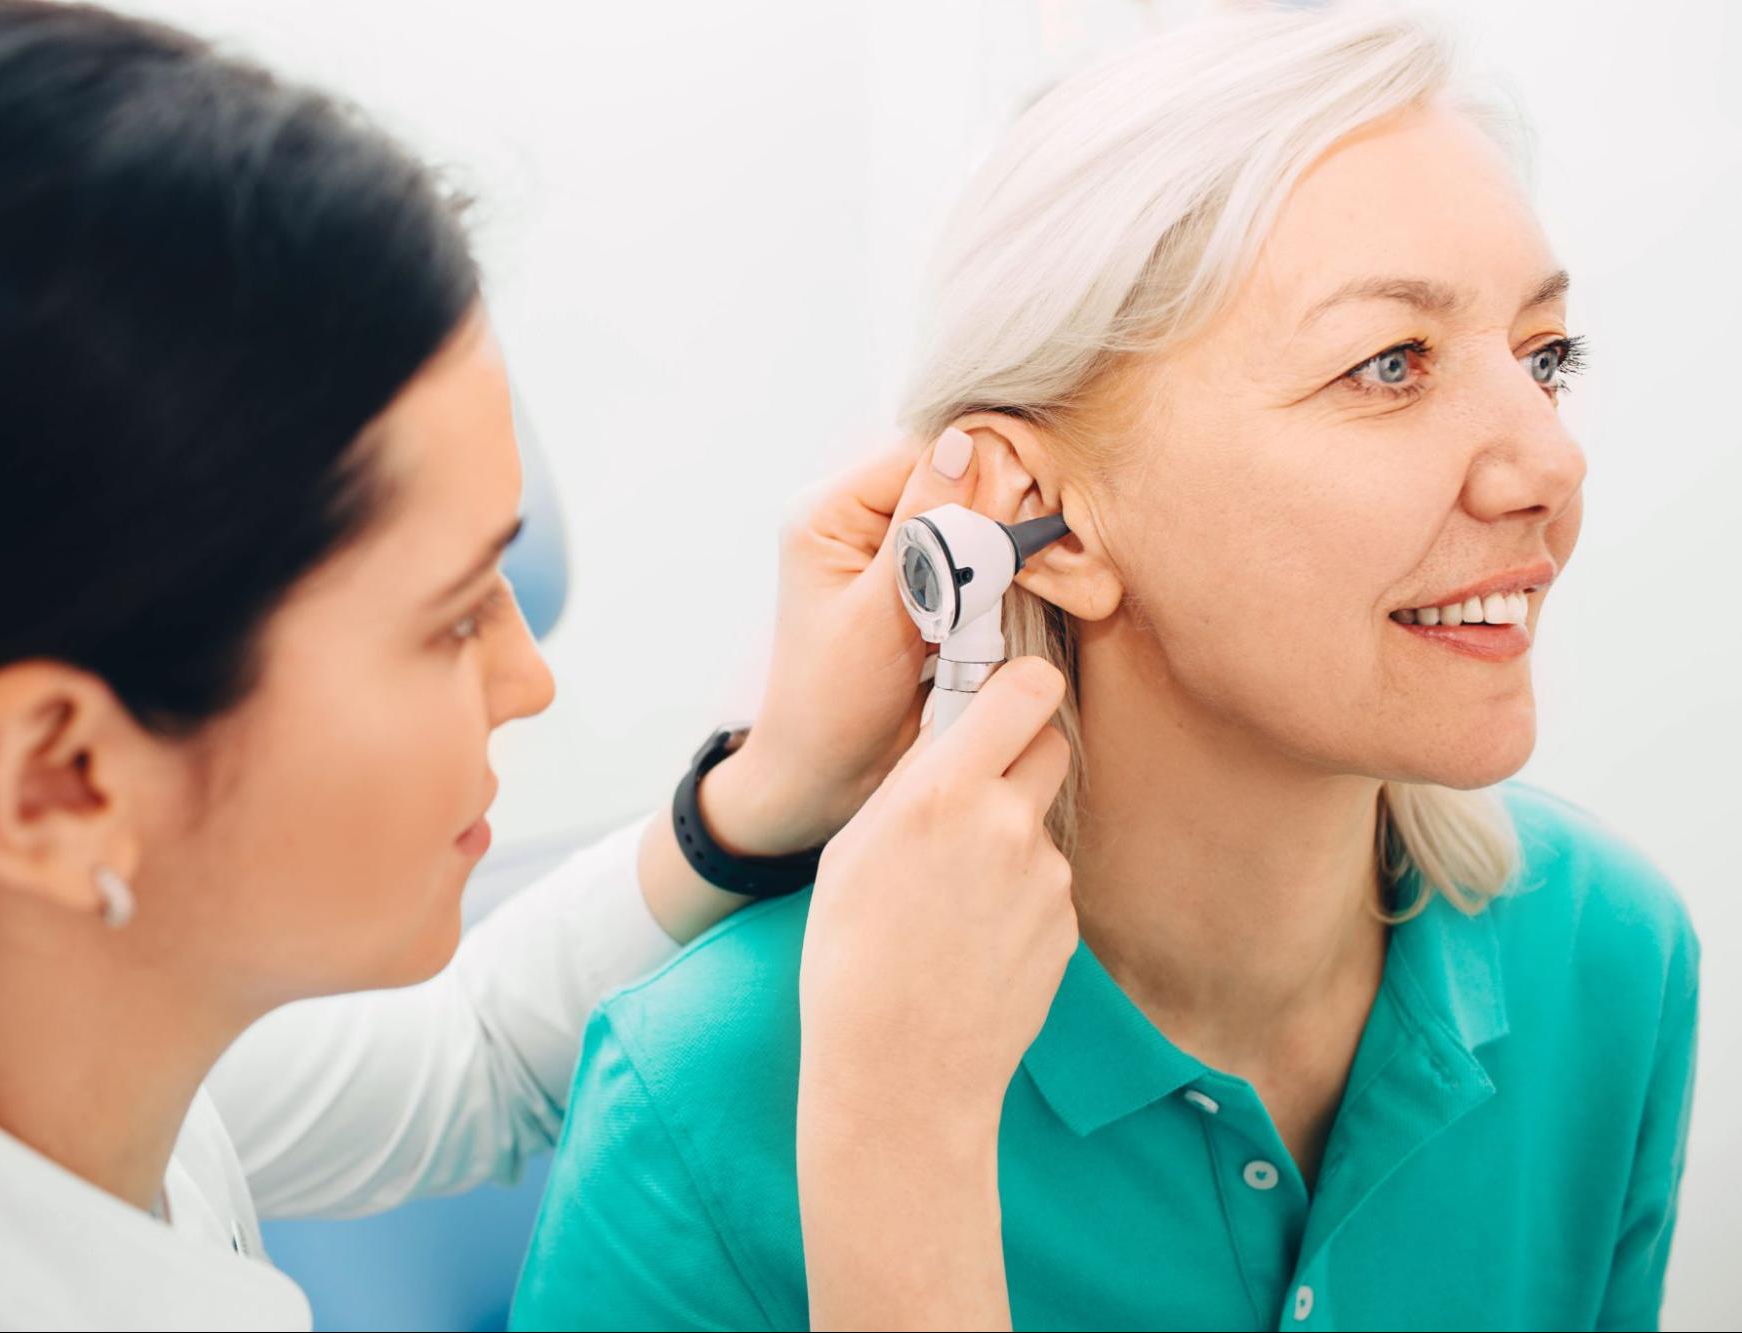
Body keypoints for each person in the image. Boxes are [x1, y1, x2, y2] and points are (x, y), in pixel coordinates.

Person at [0, 1, 1080, 1327]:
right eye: (451, 618)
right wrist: (898, 1123)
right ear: (61, 777)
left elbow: (472, 1061)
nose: (526, 677)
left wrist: (766, 791)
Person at [511, 9, 1700, 1331]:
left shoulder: (1612, 957)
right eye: (1388, 366)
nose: (1548, 463)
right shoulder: (712, 1105)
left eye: (1546, 358)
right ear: (1044, 509)